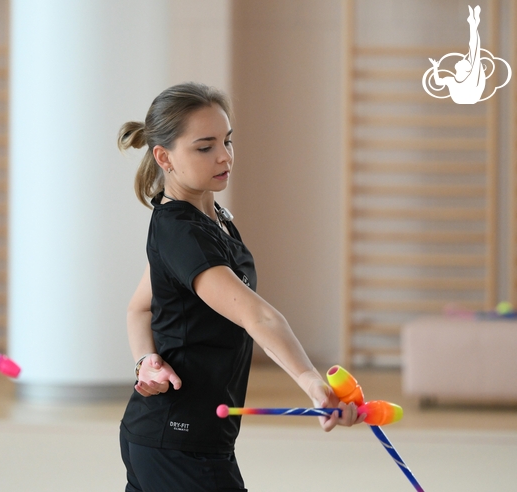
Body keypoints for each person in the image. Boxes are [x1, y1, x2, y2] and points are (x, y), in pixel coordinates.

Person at [117, 82, 364, 492]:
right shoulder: (180, 230)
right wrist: (312, 383)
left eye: (227, 141)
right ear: (165, 157)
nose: (224, 155)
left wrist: (147, 359)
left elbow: (139, 308)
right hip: (180, 443)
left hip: (176, 437)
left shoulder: (211, 218)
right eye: (204, 146)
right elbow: (257, 315)